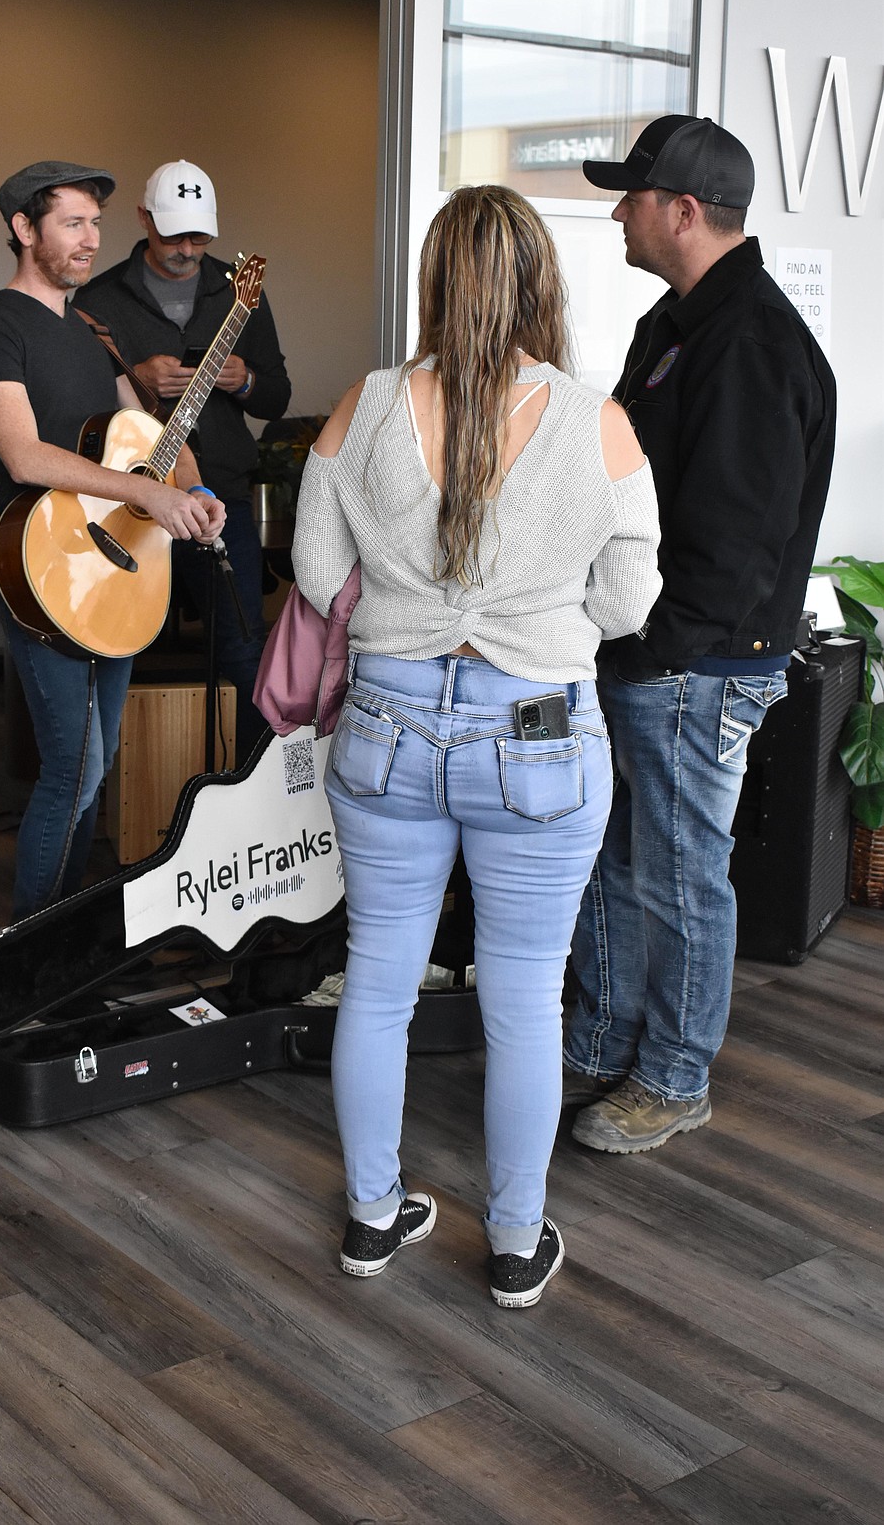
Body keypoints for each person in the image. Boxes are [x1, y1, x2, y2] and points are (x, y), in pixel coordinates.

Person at [291, 185, 661, 1307]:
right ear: (540, 280)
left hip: (388, 728)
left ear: (434, 282)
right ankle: (512, 1242)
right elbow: (631, 603)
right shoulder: (599, 420)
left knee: (380, 983)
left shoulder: (361, 408)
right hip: (538, 737)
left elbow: (313, 577)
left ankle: (370, 1218)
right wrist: (535, 623)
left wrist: (411, 603)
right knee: (526, 999)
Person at [564, 115, 837, 1153]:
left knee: (679, 871)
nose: (619, 213)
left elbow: (735, 546)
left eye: (631, 197)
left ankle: (675, 1079)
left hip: (698, 667)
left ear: (683, 210)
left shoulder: (755, 343)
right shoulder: (672, 326)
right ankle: (605, 1040)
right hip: (650, 656)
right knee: (621, 861)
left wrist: (648, 651)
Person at [0, 161, 225, 919]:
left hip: (113, 571)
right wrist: (145, 491)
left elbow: (146, 436)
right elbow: (25, 455)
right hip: (44, 573)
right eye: (72, 222)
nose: (90, 239)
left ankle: (65, 934)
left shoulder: (88, 330)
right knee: (72, 772)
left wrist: (190, 489)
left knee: (95, 768)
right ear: (24, 230)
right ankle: (28, 955)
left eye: (96, 224)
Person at [76, 159, 291, 765]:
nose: (187, 250)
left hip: (217, 496)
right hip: (125, 498)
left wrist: (245, 379)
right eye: (174, 236)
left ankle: (253, 787)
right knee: (111, 644)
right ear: (144, 219)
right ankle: (120, 783)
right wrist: (130, 379)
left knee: (243, 648)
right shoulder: (98, 298)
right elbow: (73, 409)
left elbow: (277, 396)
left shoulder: (240, 290)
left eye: (200, 237)